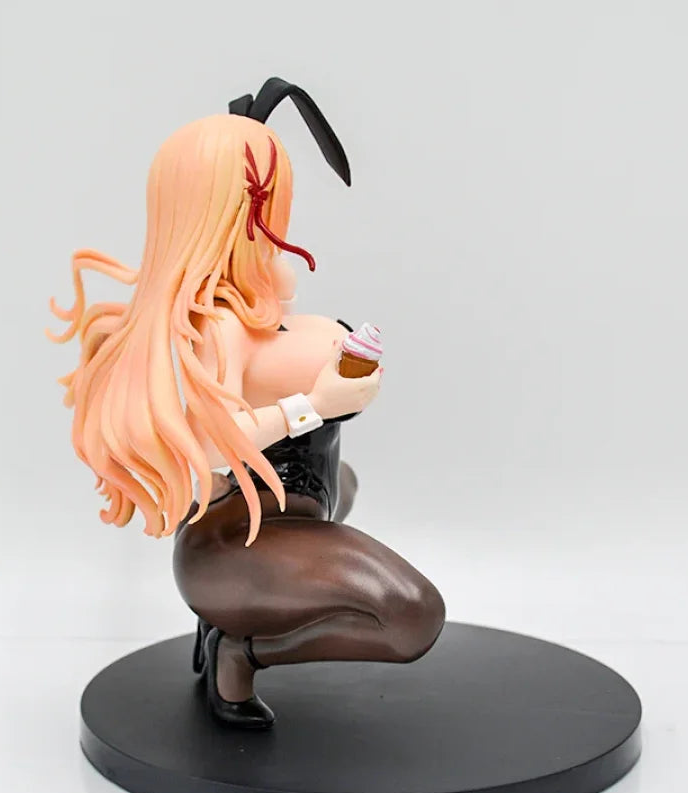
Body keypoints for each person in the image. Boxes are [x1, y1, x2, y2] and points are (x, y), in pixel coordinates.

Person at [49, 93, 444, 730]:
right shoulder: (220, 326)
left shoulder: (260, 298)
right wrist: (313, 405)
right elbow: (208, 443)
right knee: (411, 616)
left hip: (298, 504)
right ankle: (242, 651)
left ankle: (233, 620)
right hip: (236, 543)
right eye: (265, 196)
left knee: (346, 483)